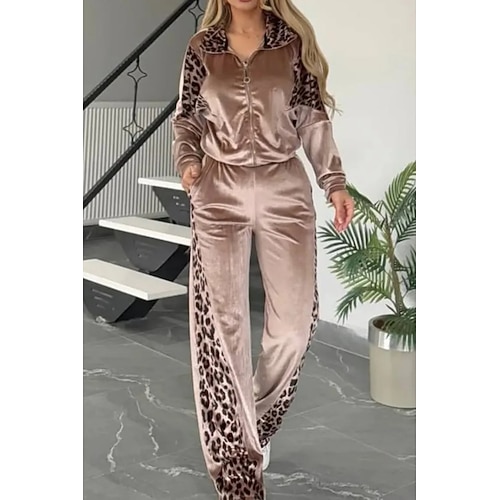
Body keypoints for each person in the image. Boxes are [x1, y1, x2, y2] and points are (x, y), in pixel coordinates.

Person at [172, 0, 354, 498]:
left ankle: (252, 419)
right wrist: (188, 161)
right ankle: (236, 463)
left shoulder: (290, 44)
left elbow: (312, 119)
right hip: (219, 189)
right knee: (222, 328)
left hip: (283, 189)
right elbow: (187, 118)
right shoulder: (202, 47)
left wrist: (334, 181)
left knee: (294, 326)